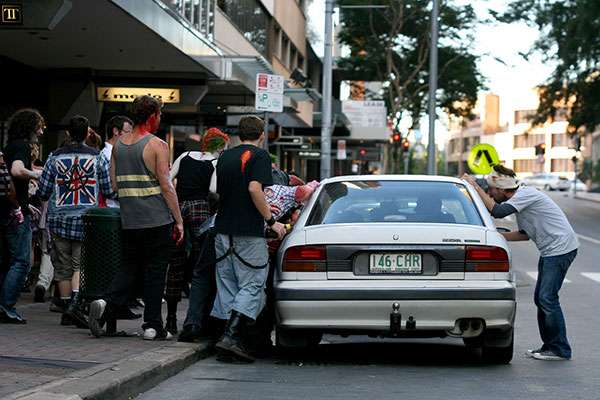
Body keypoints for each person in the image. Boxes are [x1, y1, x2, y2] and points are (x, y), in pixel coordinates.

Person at [88, 95, 183, 341]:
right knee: (155, 272)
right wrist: (178, 219)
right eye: (160, 115)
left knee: (130, 266)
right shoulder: (158, 145)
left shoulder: (119, 144)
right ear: (152, 116)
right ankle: (153, 327)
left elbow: (114, 184)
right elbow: (166, 186)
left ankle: (105, 302)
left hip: (129, 219)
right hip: (157, 219)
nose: (160, 119)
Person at [463, 165, 579, 361]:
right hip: (551, 250)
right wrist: (494, 236)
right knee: (541, 298)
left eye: (491, 190)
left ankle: (560, 349)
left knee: (547, 298)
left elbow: (498, 211)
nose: (490, 194)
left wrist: (475, 187)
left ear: (500, 188)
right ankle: (549, 346)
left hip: (561, 249)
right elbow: (524, 235)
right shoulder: (520, 201)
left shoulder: (525, 194)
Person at [210, 115, 286, 362]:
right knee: (253, 284)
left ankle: (229, 339)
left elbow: (217, 190)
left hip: (222, 230)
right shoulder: (261, 156)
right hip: (248, 232)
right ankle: (232, 336)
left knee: (228, 284)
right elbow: (255, 188)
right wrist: (272, 222)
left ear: (238, 134)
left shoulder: (226, 156)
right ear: (262, 135)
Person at [37, 115, 114, 327]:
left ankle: (65, 308)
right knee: (80, 264)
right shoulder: (99, 158)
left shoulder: (53, 157)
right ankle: (76, 306)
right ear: (88, 134)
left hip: (59, 219)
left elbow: (43, 192)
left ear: (68, 134)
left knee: (62, 266)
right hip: (86, 219)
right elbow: (107, 190)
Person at [166, 127, 229, 335]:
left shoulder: (184, 155)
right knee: (201, 262)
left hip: (179, 207)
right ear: (220, 147)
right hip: (200, 208)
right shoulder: (215, 162)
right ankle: (197, 318)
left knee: (174, 263)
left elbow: (168, 179)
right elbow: (213, 189)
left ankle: (171, 319)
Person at [0, 108, 44, 324]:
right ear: (30, 128)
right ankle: (6, 306)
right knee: (22, 261)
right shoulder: (23, 147)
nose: (41, 132)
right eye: (39, 127)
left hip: (7, 208)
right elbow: (17, 171)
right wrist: (36, 173)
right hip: (17, 214)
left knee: (7, 261)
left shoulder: (9, 147)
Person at [101, 116, 133, 208]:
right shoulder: (106, 155)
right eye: (127, 132)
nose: (131, 137)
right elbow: (108, 190)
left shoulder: (124, 152)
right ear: (115, 131)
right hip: (112, 208)